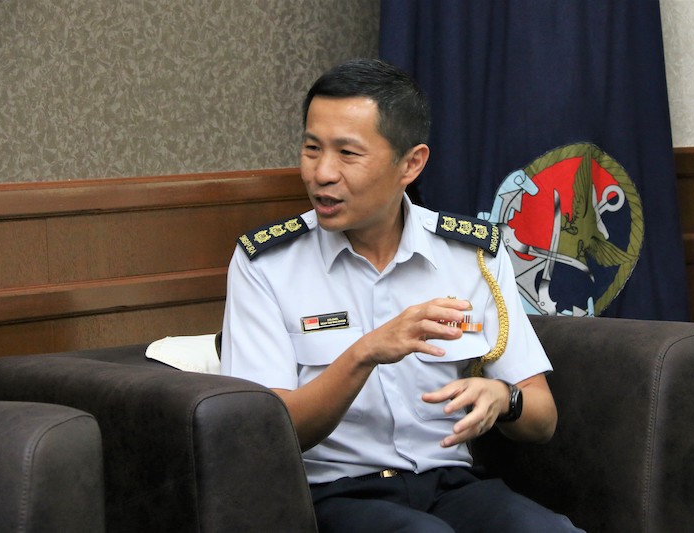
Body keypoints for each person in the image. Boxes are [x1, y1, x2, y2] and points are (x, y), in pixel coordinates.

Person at [221, 58, 583, 532]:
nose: (321, 173)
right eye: (311, 149)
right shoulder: (266, 264)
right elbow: (263, 435)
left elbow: (542, 419)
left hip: (450, 484)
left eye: (347, 153)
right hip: (332, 496)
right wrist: (365, 352)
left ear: (411, 163)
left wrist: (502, 397)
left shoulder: (470, 256)